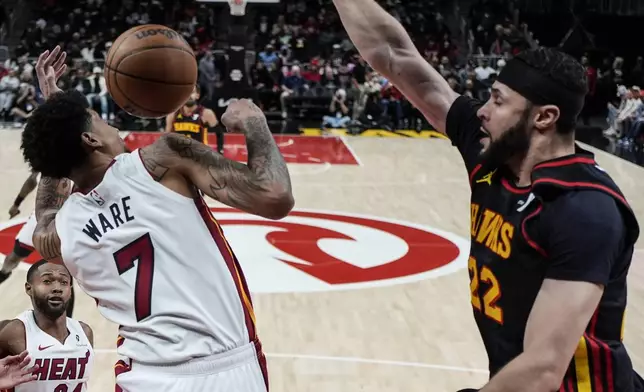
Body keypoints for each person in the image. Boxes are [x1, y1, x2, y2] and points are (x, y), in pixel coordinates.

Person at [332, 1, 643, 391]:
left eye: (497, 101)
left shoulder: (584, 209)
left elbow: (545, 368)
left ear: (543, 118)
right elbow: (395, 56)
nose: (482, 111)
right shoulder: (491, 156)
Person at [21, 46, 293, 392]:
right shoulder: (160, 161)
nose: (114, 125)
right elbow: (275, 195)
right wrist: (253, 119)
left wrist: (56, 117)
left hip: (142, 378)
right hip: (224, 372)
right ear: (90, 139)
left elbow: (46, 206)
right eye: (101, 120)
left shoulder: (59, 232)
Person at [0, 260, 94, 391]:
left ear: (70, 290)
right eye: (47, 281)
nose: (57, 288)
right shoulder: (13, 331)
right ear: (29, 288)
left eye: (64, 282)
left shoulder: (85, 332)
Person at [165, 85, 223, 154]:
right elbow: (166, 137)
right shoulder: (173, 114)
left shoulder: (206, 113)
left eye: (192, 92)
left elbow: (219, 133)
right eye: (187, 92)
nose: (189, 95)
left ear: (197, 95)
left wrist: (220, 151)